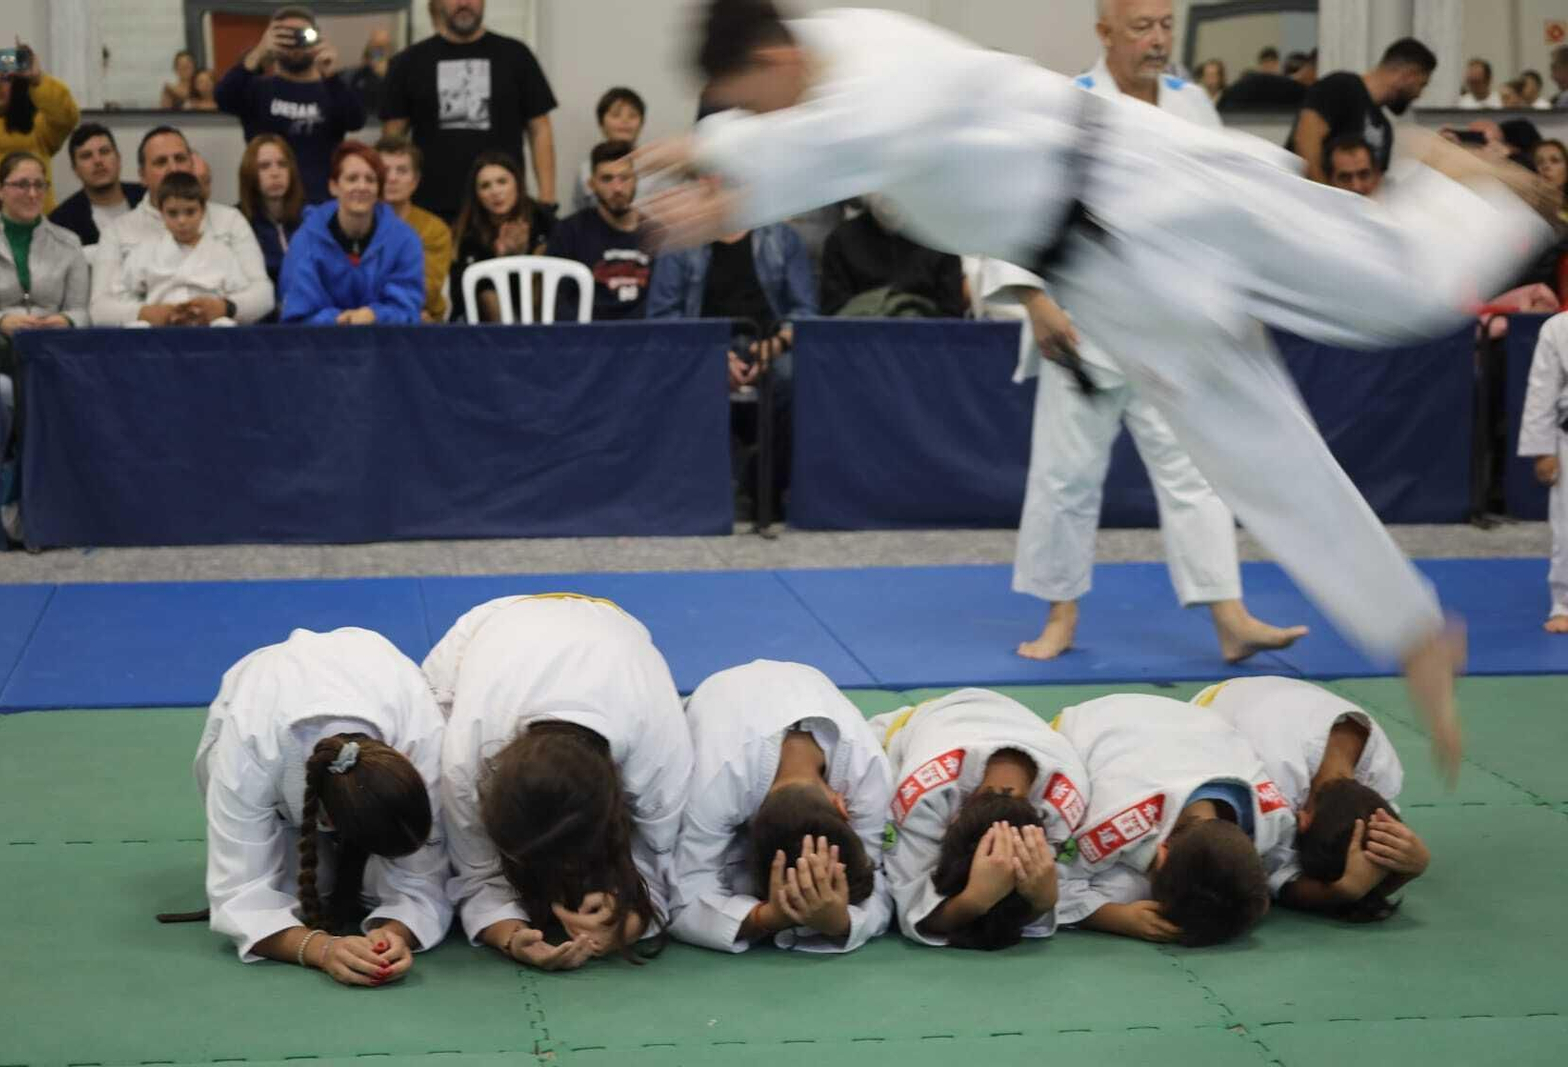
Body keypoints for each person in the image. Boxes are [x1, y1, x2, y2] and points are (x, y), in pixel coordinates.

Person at [641, 2, 1560, 779]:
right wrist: (716, 147)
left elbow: (853, 133)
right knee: (1243, 441)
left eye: (754, 98)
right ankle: (1409, 629)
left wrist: (730, 185)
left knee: (1395, 295)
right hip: (1102, 270)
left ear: (777, 59)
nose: (760, 113)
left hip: (1148, 185)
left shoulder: (874, 65)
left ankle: (1455, 185)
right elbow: (794, 129)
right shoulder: (806, 75)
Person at [982, 0, 1307, 664]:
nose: (1158, 40)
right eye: (1142, 28)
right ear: (1105, 33)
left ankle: (1230, 616)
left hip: (1168, 327)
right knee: (1065, 478)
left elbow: (1222, 208)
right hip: (1081, 327)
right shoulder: (1067, 104)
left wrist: (1234, 297)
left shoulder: (1191, 106)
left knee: (1197, 472)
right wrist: (1033, 298)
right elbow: (1018, 206)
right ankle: (1061, 616)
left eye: (1165, 26)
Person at [425, 594, 695, 971]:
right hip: (489, 630)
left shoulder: (661, 753)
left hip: (617, 631)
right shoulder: (463, 757)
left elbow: (663, 866)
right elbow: (475, 872)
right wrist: (510, 935)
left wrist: (626, 922)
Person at [186, 628, 451, 984]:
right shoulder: (248, 750)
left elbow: (425, 874)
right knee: (307, 891)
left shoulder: (421, 738)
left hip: (376, 676)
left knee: (374, 893)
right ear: (326, 818)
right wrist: (320, 949)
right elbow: (239, 894)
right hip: (264, 708)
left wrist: (396, 932)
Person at [670, 660, 891, 954]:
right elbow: (681, 898)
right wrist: (769, 916)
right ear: (840, 805)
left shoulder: (868, 771)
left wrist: (840, 921)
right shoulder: (715, 784)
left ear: (843, 805)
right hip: (715, 698)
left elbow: (878, 875)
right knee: (738, 883)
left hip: (802, 682)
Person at [1053, 694, 1297, 946]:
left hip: (1189, 718)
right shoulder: (1118, 825)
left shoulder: (1275, 816)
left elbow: (1267, 880)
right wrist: (1111, 917)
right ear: (1161, 855)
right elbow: (1053, 884)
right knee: (1124, 891)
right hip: (1092, 721)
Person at [1192, 677, 1428, 921]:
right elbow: (1272, 882)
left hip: (1267, 690)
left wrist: (1414, 865)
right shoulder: (1270, 786)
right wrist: (1342, 891)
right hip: (1208, 704)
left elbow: (1370, 835)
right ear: (1302, 821)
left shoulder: (1381, 769)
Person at [868, 689, 1088, 950]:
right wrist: (976, 899)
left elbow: (1016, 907)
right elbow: (912, 909)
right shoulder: (925, 795)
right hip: (924, 720)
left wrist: (1043, 899)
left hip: (1020, 720)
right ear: (953, 819)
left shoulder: (1062, 811)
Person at [647, 216, 814, 516]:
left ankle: (766, 490)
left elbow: (805, 311)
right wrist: (712, 353)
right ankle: (703, 497)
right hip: (703, 347)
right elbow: (662, 316)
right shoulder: (680, 242)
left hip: (768, 344)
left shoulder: (782, 238)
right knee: (689, 378)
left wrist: (774, 345)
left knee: (795, 380)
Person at [381, 0, 559, 222]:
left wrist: (547, 198)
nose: (464, 3)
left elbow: (540, 129)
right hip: (430, 208)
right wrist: (389, 198)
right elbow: (392, 140)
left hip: (502, 206)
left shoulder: (516, 55)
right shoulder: (408, 61)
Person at [91, 125, 275, 326]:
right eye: (161, 162)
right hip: (149, 342)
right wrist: (146, 313)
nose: (173, 168)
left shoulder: (230, 220)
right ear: (142, 175)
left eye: (180, 159)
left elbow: (264, 295)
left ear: (192, 164)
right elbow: (99, 309)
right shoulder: (118, 231)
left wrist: (225, 308)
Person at [216, 7, 367, 203]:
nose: (294, 43)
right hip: (266, 206)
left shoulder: (332, 90)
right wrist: (259, 52)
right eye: (284, 36)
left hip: (320, 205)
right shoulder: (257, 89)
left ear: (317, 38)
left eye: (302, 35)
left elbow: (356, 120)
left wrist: (331, 76)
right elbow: (222, 98)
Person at [280, 141, 423, 326]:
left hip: (386, 345)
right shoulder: (306, 239)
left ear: (379, 188)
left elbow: (408, 309)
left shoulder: (405, 241)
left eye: (370, 180)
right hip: (318, 346)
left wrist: (375, 315)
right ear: (333, 186)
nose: (362, 187)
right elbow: (297, 313)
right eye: (352, 178)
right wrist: (340, 320)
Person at [0, 151, 88, 332]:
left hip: (53, 348)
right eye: (22, 185)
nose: (32, 194)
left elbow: (82, 312)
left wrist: (66, 320)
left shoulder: (69, 243)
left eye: (39, 185)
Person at [1288, 38, 1438, 182]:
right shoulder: (1341, 87)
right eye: (1421, 84)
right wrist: (1325, 197)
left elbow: (1374, 182)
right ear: (1409, 75)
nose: (1419, 95)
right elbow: (1306, 139)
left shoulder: (1384, 128)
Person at [119, 172, 248, 327]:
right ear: (161, 213)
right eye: (173, 213)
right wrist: (148, 311)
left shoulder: (222, 252)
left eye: (190, 212)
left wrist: (218, 306)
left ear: (203, 211)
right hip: (160, 325)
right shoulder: (145, 252)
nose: (182, 221)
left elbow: (239, 292)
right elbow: (125, 292)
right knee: (135, 327)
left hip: (208, 324)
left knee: (226, 325)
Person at [0, 44, 78, 217]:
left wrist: (37, 79)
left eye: (5, 78)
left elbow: (67, 117)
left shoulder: (39, 128)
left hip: (39, 234)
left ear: (17, 84)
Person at [545, 141, 650, 321]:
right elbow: (558, 302)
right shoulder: (569, 232)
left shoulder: (656, 232)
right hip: (586, 339)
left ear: (636, 180)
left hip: (646, 341)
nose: (617, 188)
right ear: (591, 184)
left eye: (624, 178)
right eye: (607, 179)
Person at [449, 149, 554, 322]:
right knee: (486, 291)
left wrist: (524, 257)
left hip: (540, 315)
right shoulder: (466, 232)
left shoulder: (542, 218)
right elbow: (461, 295)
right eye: (485, 186)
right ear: (477, 195)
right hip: (483, 323)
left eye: (502, 182)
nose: (495, 192)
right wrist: (501, 260)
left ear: (517, 184)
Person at [820, 196, 966, 317]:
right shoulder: (842, 239)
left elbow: (951, 314)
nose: (889, 195)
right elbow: (834, 311)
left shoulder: (940, 240)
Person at [1520, 312, 1568, 633]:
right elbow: (1541, 392)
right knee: (1567, 529)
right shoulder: (1557, 328)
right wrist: (1542, 450)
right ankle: (1564, 602)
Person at [376, 136, 452, 322]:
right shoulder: (355, 222)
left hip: (418, 317)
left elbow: (425, 290)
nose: (392, 178)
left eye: (402, 171)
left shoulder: (434, 229)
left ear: (415, 181)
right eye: (385, 170)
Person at [48, 124, 147, 247]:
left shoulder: (149, 197)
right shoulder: (61, 222)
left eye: (104, 152)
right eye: (86, 156)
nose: (98, 161)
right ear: (75, 169)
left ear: (118, 158)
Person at [237, 134, 305, 301]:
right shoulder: (238, 221)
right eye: (264, 166)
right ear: (250, 173)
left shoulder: (309, 218)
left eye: (282, 164)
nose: (275, 173)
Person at [573, 87, 647, 214]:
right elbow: (579, 213)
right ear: (601, 123)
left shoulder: (656, 165)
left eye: (632, 115)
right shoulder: (586, 170)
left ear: (641, 123)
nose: (625, 121)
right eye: (616, 114)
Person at [348, 28, 396, 115]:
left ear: (390, 49)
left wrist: (383, 76)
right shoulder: (358, 75)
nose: (378, 51)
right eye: (375, 45)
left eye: (382, 46)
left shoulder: (397, 74)